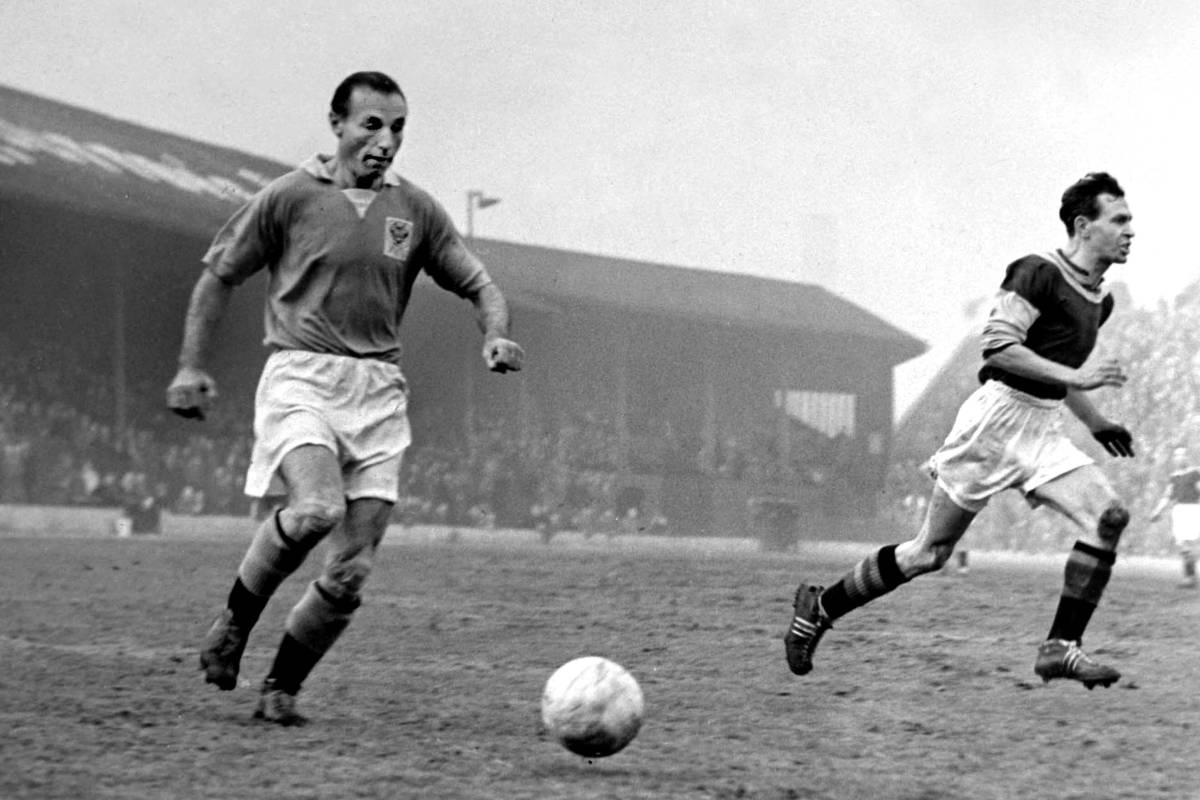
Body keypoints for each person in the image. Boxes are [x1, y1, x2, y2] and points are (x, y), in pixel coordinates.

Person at [166, 71, 525, 725]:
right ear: (336, 124)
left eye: (398, 129)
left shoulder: (414, 210)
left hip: (379, 392)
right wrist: (191, 367)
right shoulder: (288, 197)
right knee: (314, 511)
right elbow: (218, 276)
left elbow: (481, 286)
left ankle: (281, 689)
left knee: (351, 571)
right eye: (372, 124)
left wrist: (496, 336)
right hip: (302, 376)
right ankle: (234, 623)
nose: (386, 140)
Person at [784, 172, 1136, 689]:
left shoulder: (1097, 300)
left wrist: (1095, 419)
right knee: (929, 552)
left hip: (1041, 426)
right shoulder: (1036, 272)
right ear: (1084, 226)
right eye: (1120, 219)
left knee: (1109, 517)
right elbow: (998, 346)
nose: (1131, 231)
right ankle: (820, 606)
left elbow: (1055, 365)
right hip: (994, 422)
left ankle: (1060, 647)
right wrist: (1076, 378)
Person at [1148, 445, 1200, 589]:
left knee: (1189, 543)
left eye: (1182, 454)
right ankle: (1190, 576)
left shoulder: (1194, 473)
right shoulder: (1174, 477)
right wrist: (1157, 511)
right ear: (1174, 458)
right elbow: (1167, 496)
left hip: (1193, 509)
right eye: (1177, 455)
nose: (1180, 458)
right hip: (1179, 511)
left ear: (1187, 457)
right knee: (1182, 544)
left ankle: (1190, 577)